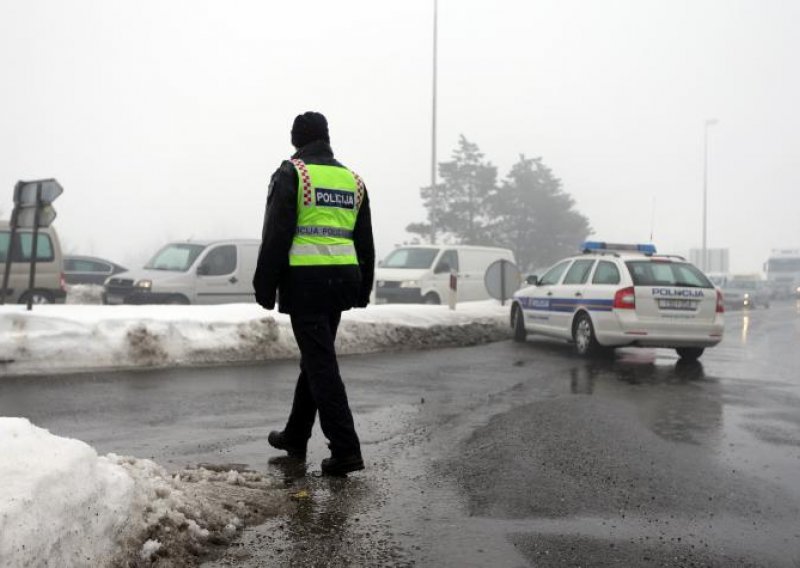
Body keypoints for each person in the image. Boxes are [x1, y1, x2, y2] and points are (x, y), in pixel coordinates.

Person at [253, 111, 375, 476]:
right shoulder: (353, 179)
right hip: (341, 282)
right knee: (315, 358)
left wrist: (264, 285)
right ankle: (295, 434)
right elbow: (364, 240)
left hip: (306, 283)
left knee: (321, 364)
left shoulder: (293, 172)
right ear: (326, 137)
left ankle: (346, 449)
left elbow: (276, 233)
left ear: (296, 139)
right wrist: (363, 286)